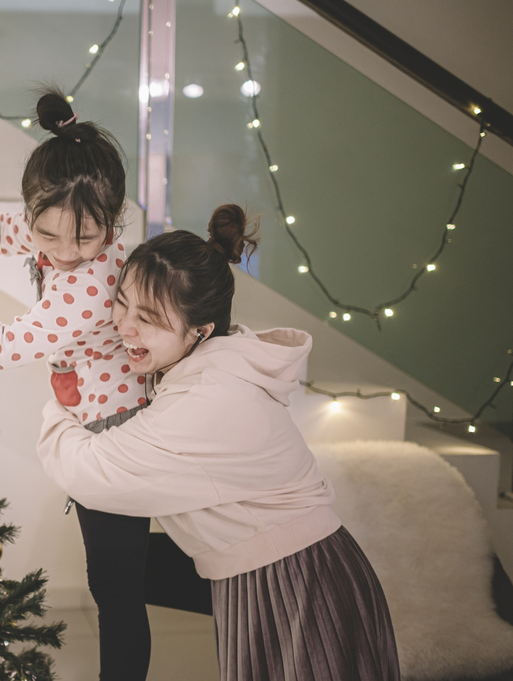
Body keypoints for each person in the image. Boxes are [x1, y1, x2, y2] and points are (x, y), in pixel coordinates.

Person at [0, 89, 202, 680]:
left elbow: (4, 348)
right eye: (48, 235)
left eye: (84, 239)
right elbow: (8, 231)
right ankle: (224, 580)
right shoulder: (53, 237)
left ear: (113, 222)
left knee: (115, 591)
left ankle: (226, 587)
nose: (61, 254)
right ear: (36, 211)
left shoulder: (91, 284)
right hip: (101, 425)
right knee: (117, 578)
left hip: (117, 437)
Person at [36, 204, 400, 681]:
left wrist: (61, 401)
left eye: (148, 318)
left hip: (299, 583)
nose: (122, 326)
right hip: (272, 573)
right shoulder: (210, 366)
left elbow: (88, 471)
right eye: (121, 302)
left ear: (200, 331)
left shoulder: (209, 400)